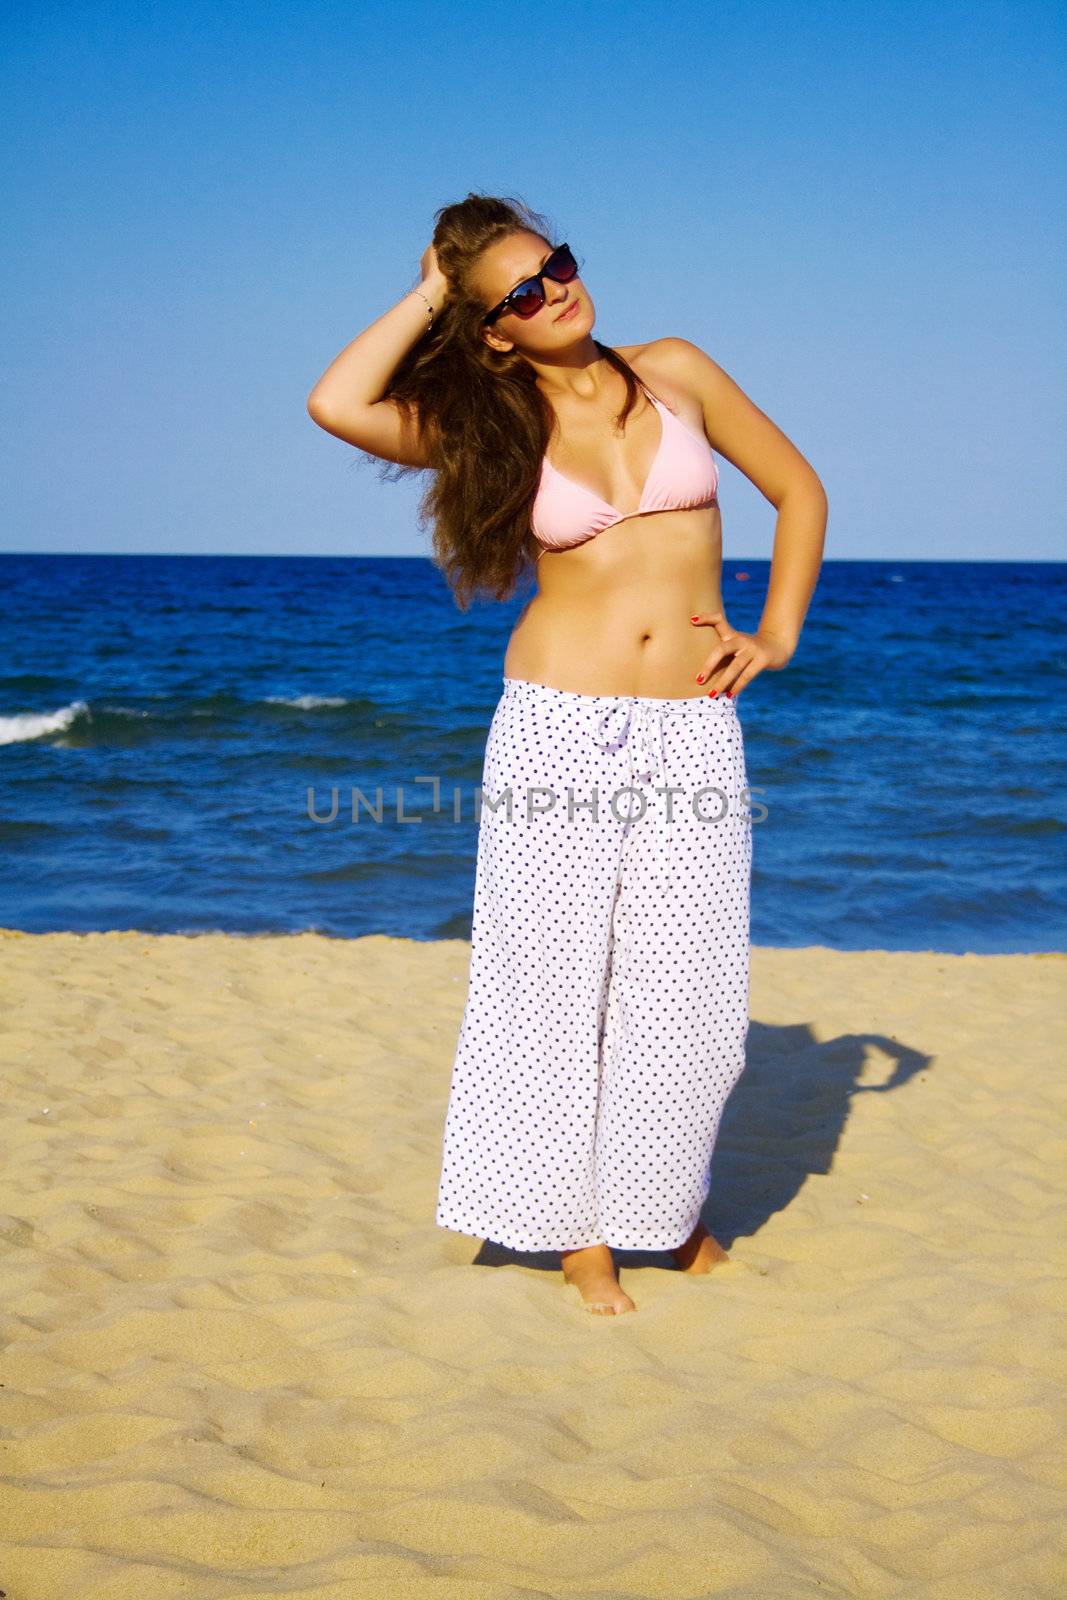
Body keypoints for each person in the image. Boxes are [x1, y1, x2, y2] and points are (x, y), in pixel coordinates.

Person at [307, 192, 827, 1316]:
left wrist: (775, 633)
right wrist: (430, 292)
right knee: (546, 986)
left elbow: (796, 489)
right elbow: (334, 400)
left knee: (687, 989)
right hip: (556, 724)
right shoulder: (487, 427)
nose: (557, 291)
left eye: (558, 264)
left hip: (692, 722)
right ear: (492, 326)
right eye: (521, 292)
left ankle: (659, 1211)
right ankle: (569, 1231)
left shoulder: (676, 370)